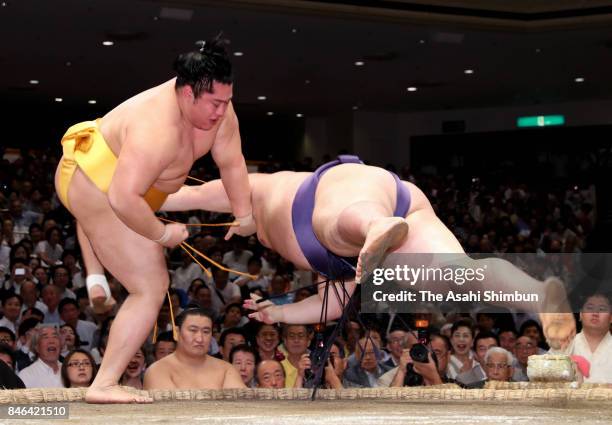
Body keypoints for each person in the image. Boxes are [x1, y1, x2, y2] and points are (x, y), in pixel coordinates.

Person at [163, 156, 575, 349]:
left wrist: (126, 196)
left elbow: (189, 194)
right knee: (455, 273)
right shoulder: (335, 267)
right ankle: (536, 295)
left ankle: (374, 224)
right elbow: (329, 305)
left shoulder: (255, 188)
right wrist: (279, 313)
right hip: (394, 199)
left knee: (336, 224)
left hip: (333, 197)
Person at [53, 35, 255, 403]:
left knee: (198, 193)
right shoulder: (156, 128)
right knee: (150, 283)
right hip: (95, 184)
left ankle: (95, 270)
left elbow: (233, 163)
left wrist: (245, 214)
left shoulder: (221, 112)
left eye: (226, 102)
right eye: (214, 103)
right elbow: (121, 197)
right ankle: (102, 384)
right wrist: (161, 234)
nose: (220, 112)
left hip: (141, 188)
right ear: (188, 93)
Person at [143, 308, 245, 390]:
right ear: (177, 332)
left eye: (206, 331)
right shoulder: (158, 370)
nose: (200, 339)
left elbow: (239, 407)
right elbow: (170, 411)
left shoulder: (226, 370)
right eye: (193, 330)